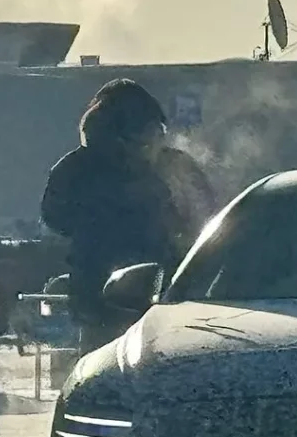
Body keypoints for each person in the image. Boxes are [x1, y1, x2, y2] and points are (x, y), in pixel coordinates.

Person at [40, 78, 216, 353]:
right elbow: (206, 219)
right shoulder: (174, 165)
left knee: (102, 367)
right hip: (154, 296)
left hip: (103, 294)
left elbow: (55, 218)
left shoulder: (75, 167)